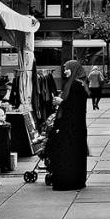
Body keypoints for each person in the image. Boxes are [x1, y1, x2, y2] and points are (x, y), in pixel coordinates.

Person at [45, 60, 88, 191]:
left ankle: (67, 181)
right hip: (76, 128)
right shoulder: (78, 84)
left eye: (67, 69)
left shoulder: (75, 85)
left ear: (73, 69)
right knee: (75, 155)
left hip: (70, 128)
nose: (64, 71)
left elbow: (74, 107)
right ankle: (76, 180)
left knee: (67, 154)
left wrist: (61, 102)